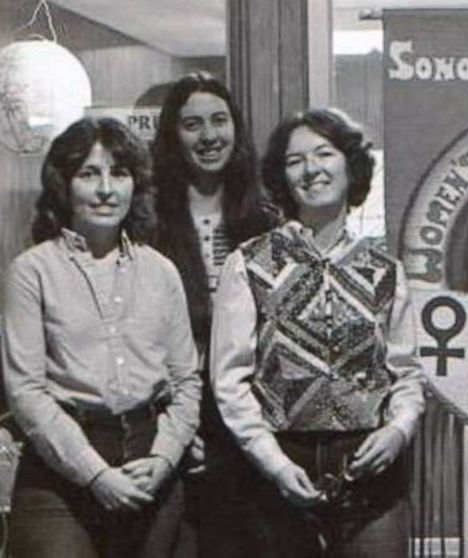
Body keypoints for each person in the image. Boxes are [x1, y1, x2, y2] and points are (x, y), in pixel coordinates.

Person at [211, 107, 424, 557]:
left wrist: (398, 431)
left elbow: (406, 375)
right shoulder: (248, 264)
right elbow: (230, 383)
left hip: (371, 469)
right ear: (282, 179)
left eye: (324, 154)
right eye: (295, 161)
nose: (311, 169)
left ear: (351, 165)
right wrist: (273, 464)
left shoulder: (385, 271)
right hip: (278, 470)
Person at [2, 117, 201, 557]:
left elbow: (187, 382)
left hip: (152, 460)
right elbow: (25, 393)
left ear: (136, 184)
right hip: (61, 466)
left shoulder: (161, 271)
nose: (106, 189)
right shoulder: (31, 272)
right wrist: (95, 474)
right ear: (63, 185)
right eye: (89, 174)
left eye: (120, 173)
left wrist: (165, 456)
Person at [151, 71, 279, 557]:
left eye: (219, 121)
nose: (208, 136)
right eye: (192, 125)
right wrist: (178, 426)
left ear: (236, 128)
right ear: (172, 136)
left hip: (250, 410)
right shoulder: (148, 217)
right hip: (174, 405)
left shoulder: (265, 215)